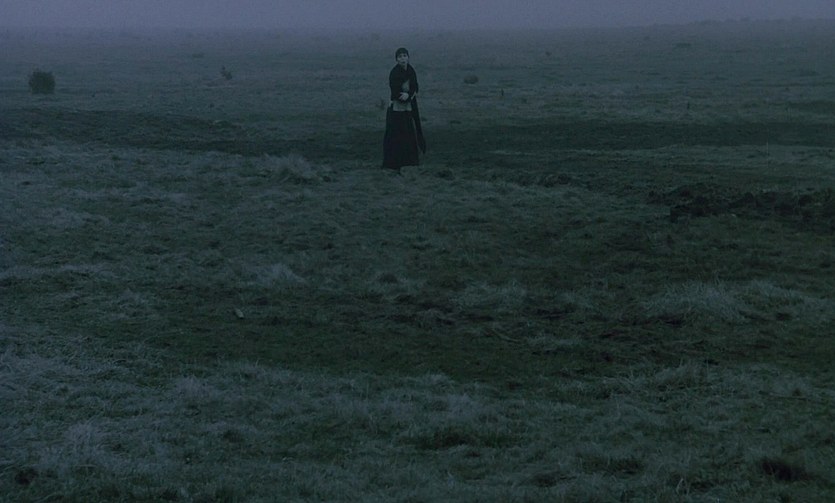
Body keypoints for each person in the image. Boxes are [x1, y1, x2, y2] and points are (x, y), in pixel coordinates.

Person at [382, 47, 426, 171]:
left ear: (408, 57)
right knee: (396, 134)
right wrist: (404, 96)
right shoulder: (394, 73)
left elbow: (415, 86)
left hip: (409, 107)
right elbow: (394, 90)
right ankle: (394, 163)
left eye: (405, 56)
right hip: (396, 108)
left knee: (409, 132)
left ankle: (410, 161)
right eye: (400, 56)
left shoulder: (411, 70)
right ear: (396, 59)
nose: (403, 58)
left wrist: (409, 95)